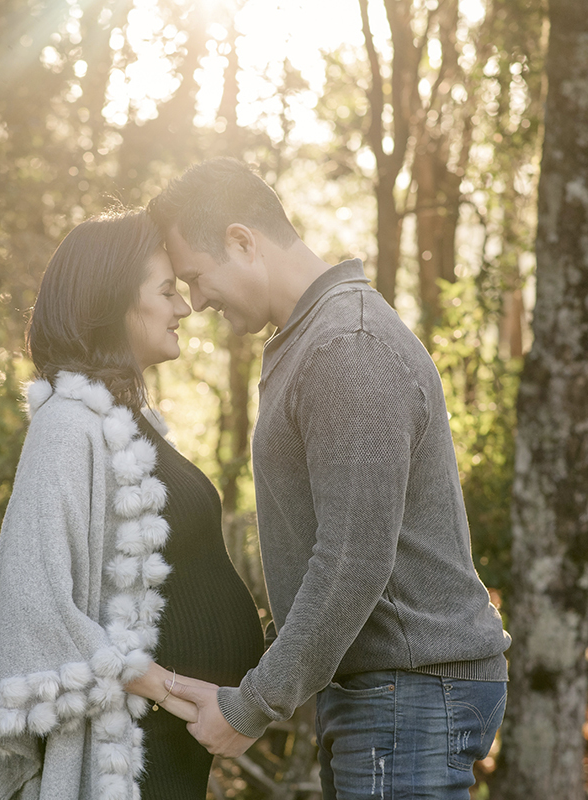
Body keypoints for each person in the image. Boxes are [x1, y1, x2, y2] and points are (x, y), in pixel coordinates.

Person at [147, 158, 512, 799]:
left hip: (410, 689)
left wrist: (253, 705)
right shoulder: (314, 339)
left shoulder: (349, 347)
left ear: (242, 240)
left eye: (197, 277)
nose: (195, 301)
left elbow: (352, 559)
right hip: (391, 690)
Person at [0, 208, 264, 800]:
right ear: (114, 303)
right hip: (122, 754)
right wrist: (165, 687)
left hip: (172, 747)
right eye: (166, 291)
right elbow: (35, 608)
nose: (184, 308)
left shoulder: (128, 428)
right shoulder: (67, 427)